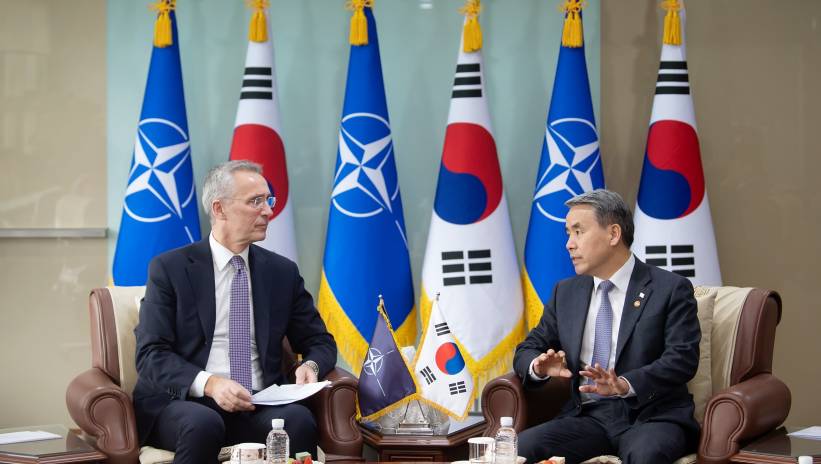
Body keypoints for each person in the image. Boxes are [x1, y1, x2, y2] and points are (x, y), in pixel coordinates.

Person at [133, 160, 337, 464]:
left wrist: (311, 365)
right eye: (255, 201)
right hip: (187, 401)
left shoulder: (281, 272)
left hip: (259, 401)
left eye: (268, 200)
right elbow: (150, 354)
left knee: (298, 421)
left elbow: (319, 341)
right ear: (219, 209)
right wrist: (211, 384)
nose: (268, 211)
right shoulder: (170, 269)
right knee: (203, 424)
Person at [514, 189, 701, 464]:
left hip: (652, 415)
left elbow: (682, 358)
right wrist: (538, 367)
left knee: (645, 455)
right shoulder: (566, 292)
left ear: (613, 234)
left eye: (578, 232)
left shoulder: (669, 289)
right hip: (589, 417)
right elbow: (528, 348)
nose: (569, 244)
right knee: (521, 448)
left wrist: (624, 384)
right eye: (568, 233)